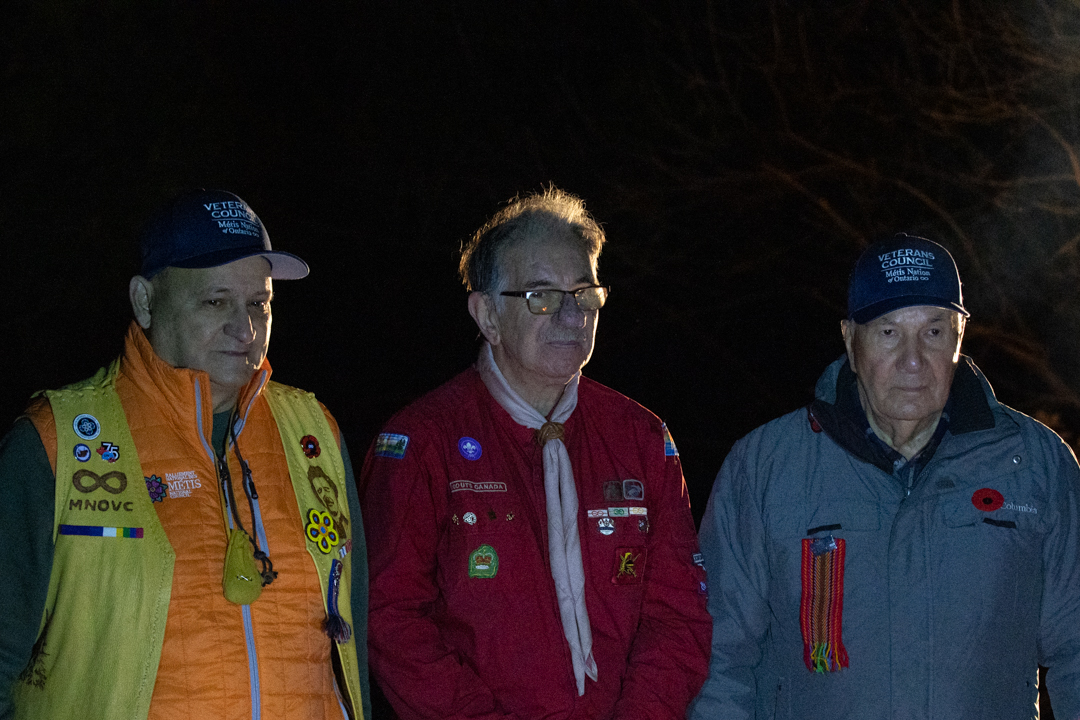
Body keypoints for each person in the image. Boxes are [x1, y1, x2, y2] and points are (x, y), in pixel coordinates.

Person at [0, 190, 370, 720]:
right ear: (145, 301)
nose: (244, 331)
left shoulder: (314, 432)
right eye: (216, 301)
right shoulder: (54, 443)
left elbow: (353, 644)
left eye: (258, 304)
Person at [689, 234, 1080, 719]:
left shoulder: (1037, 463)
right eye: (888, 332)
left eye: (934, 333)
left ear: (960, 339)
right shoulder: (765, 467)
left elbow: (1076, 646)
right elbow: (719, 660)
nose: (913, 361)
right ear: (851, 341)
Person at [361, 187, 711, 720]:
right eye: (542, 296)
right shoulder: (423, 443)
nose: (571, 316)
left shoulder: (641, 437)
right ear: (487, 315)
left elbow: (678, 614)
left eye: (584, 293)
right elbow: (391, 618)